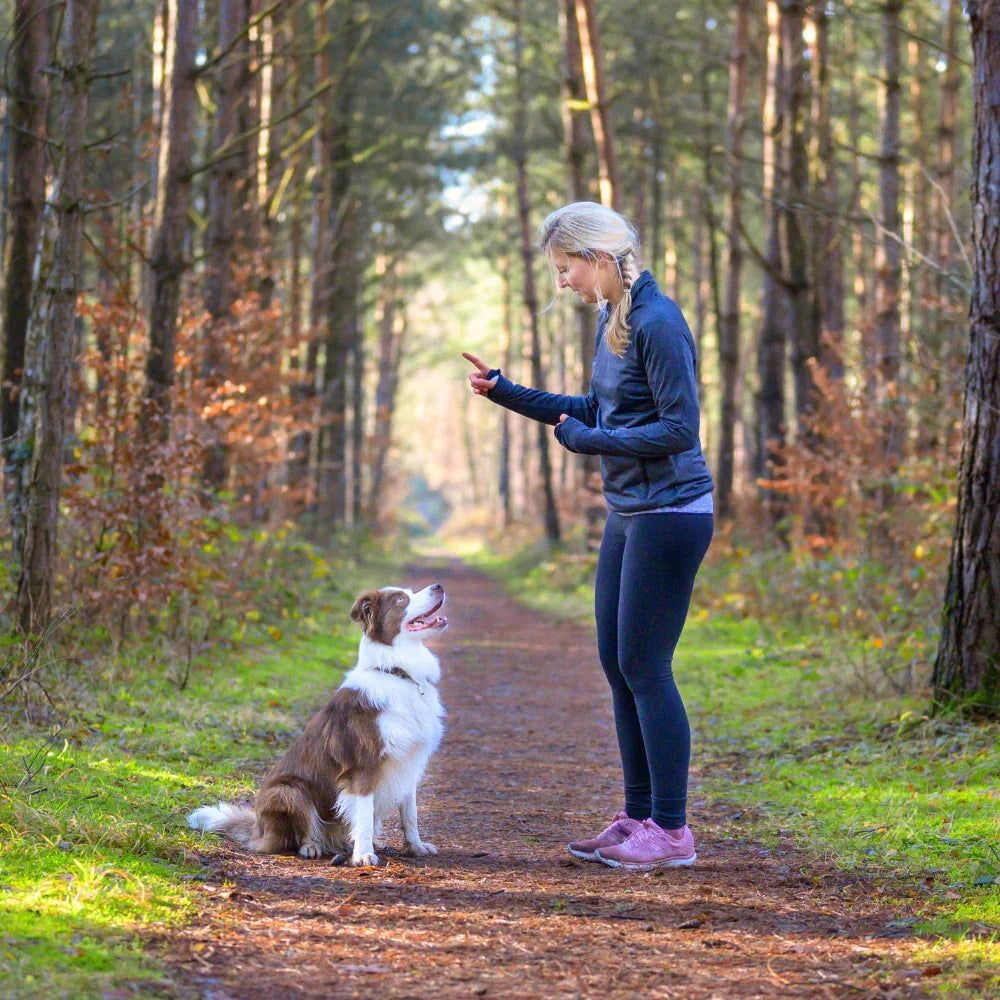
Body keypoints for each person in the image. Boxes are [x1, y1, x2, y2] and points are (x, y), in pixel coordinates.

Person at [462, 201, 714, 870]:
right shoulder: (617, 317)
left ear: (598, 259)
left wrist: (588, 442)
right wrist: (506, 392)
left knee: (646, 667)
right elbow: (596, 410)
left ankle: (673, 831)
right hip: (631, 509)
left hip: (672, 512)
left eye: (565, 268)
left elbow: (679, 429)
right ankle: (637, 819)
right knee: (618, 663)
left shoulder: (658, 323)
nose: (563, 282)